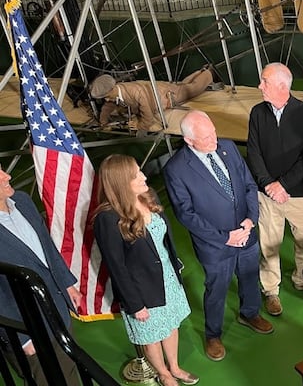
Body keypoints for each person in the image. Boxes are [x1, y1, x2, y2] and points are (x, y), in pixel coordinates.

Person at [164, 111, 272, 362]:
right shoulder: (176, 169)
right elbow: (186, 214)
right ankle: (213, 334)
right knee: (217, 288)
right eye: (206, 137)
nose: (214, 139)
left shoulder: (228, 147)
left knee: (249, 275)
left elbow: (248, 185)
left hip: (246, 233)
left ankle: (250, 313)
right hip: (215, 245)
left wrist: (250, 220)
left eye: (213, 132)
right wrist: (225, 237)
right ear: (189, 141)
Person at [93, 155, 197, 386]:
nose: (144, 176)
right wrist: (135, 303)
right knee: (151, 335)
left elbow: (164, 240)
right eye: (136, 175)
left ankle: (176, 367)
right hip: (141, 290)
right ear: (121, 182)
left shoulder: (148, 196)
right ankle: (164, 373)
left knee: (171, 324)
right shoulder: (107, 218)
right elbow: (116, 266)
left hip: (167, 278)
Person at [246, 63, 303, 317]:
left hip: (300, 193)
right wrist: (268, 184)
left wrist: (283, 185)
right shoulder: (257, 113)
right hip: (267, 194)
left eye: (263, 81)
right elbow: (253, 152)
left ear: (281, 85)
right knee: (269, 243)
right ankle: (271, 291)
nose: (260, 86)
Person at [0, 166, 82, 386]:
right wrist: (20, 338)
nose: (7, 176)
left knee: (70, 366)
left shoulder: (23, 201)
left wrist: (66, 283)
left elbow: (46, 245)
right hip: (27, 327)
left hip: (57, 308)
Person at [90, 66, 222, 134]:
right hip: (157, 90)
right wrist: (103, 121)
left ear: (112, 89)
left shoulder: (135, 92)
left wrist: (139, 126)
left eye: (106, 96)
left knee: (192, 90)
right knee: (183, 86)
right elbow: (107, 107)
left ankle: (209, 72)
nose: (106, 99)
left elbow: (148, 116)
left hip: (166, 96)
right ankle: (201, 71)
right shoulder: (115, 93)